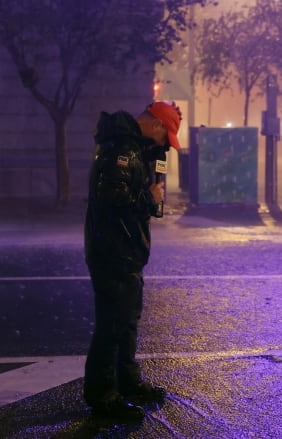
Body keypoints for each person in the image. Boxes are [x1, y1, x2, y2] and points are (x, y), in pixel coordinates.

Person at [83, 101, 182, 422]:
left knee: (126, 321)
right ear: (154, 124)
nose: (164, 144)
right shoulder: (121, 150)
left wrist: (152, 194)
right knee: (112, 326)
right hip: (113, 249)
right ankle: (103, 396)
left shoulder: (137, 150)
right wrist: (148, 197)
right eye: (165, 136)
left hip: (127, 248)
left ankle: (127, 383)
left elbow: (134, 200)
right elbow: (112, 198)